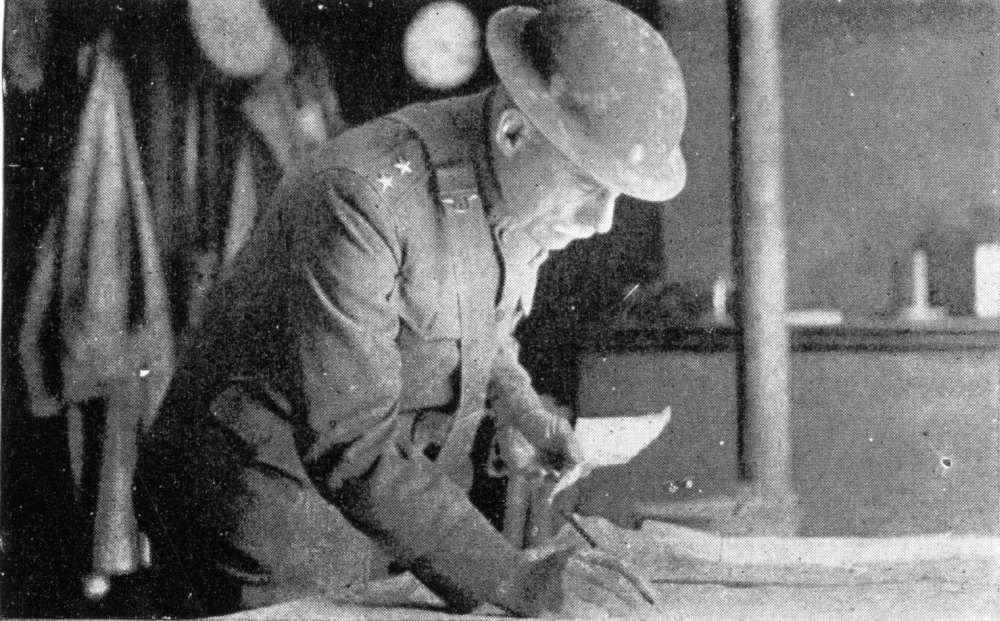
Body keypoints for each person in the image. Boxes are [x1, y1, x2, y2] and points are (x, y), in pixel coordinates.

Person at [135, 0, 687, 616]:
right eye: (588, 185)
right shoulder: (361, 196)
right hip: (262, 522)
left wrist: (523, 412)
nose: (602, 221)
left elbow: (481, 327)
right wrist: (516, 579)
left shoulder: (518, 175)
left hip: (382, 518)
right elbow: (353, 442)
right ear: (512, 132)